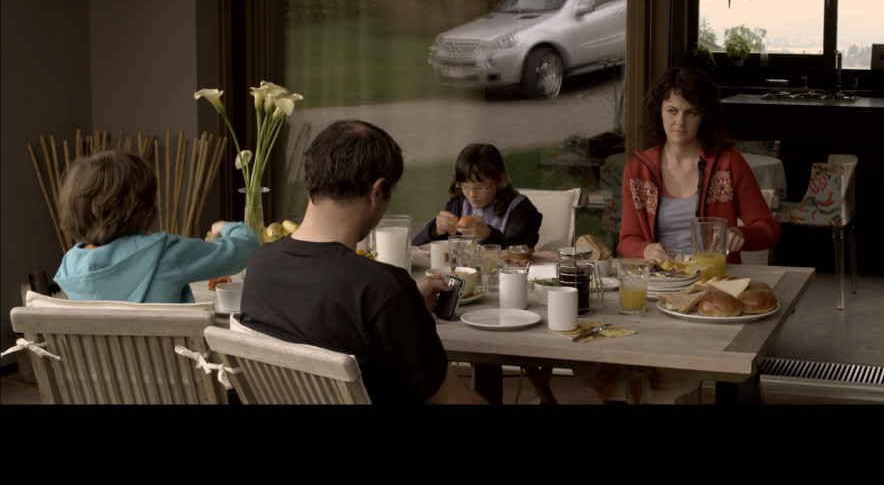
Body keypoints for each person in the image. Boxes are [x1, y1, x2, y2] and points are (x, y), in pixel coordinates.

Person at [239, 119, 485, 405]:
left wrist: (402, 308)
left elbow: (323, 317)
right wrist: (394, 301)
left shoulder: (260, 265)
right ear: (375, 191)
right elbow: (454, 400)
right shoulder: (382, 288)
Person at [618, 65, 780, 264]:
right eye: (671, 111)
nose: (680, 121)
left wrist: (741, 233)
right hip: (659, 277)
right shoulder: (638, 170)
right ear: (658, 111)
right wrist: (645, 249)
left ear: (705, 116)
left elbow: (769, 229)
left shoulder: (729, 164)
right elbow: (627, 240)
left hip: (714, 277)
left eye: (691, 113)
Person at [53, 150, 259, 303]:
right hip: (174, 352)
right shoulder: (164, 252)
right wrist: (225, 227)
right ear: (143, 204)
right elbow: (248, 248)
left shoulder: (70, 265)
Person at [412, 143, 542, 249]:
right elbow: (414, 247)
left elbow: (522, 256)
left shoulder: (522, 211)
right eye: (465, 186)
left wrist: (487, 236)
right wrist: (435, 231)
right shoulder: (458, 205)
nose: (472, 195)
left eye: (479, 187)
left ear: (500, 179)